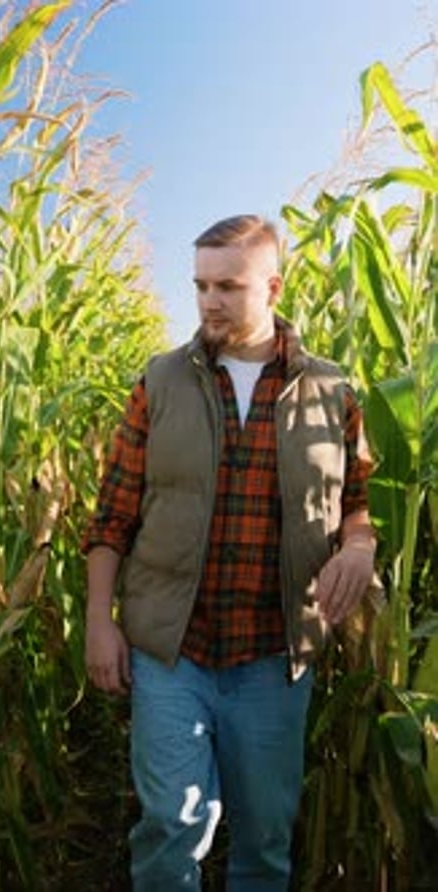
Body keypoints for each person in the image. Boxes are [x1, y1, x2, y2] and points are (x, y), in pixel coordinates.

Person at [82, 214, 376, 892]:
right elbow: (112, 517)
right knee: (169, 830)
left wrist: (358, 547)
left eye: (228, 286)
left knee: (265, 840)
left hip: (274, 654)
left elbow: (355, 502)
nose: (210, 301)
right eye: (200, 285)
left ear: (272, 287)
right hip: (171, 649)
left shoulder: (332, 391)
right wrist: (101, 620)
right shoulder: (158, 382)